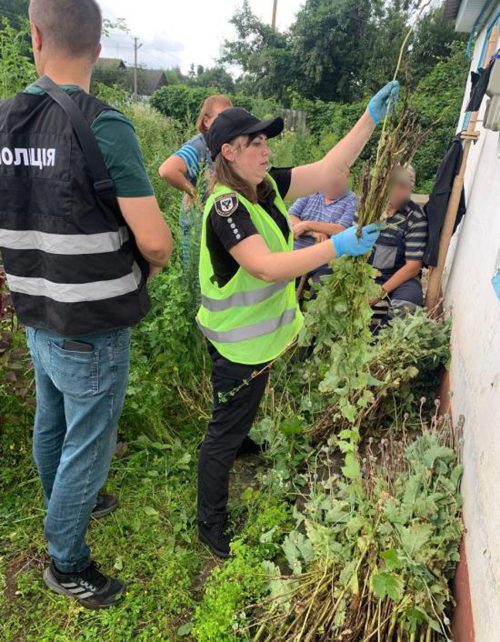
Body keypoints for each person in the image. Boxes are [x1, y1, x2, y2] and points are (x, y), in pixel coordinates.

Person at [0, 0, 173, 608]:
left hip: (36, 311)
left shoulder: (3, 120)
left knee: (54, 418)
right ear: (100, 49)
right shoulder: (104, 124)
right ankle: (67, 559)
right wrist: (160, 254)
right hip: (92, 324)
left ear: (36, 37)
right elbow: (154, 240)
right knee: (88, 439)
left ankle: (73, 499)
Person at [196, 80, 399, 559]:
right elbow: (264, 265)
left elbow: (331, 168)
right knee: (221, 433)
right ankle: (211, 523)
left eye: (267, 140)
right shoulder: (228, 206)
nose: (267, 149)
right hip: (238, 346)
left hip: (257, 341)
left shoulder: (264, 187)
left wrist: (370, 117)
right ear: (229, 152)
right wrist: (337, 245)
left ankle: (241, 439)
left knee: (238, 413)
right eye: (256, 143)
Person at [159, 95, 233, 270]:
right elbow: (167, 170)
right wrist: (195, 194)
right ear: (206, 121)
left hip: (216, 223)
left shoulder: (223, 146)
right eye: (221, 118)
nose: (226, 124)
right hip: (196, 225)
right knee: (194, 273)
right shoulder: (199, 146)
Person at [366, 165, 428, 325]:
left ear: (410, 189)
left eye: (403, 187)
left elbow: (413, 266)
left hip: (398, 276)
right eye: (392, 183)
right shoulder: (367, 208)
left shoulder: (415, 217)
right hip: (364, 273)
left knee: (408, 303)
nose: (397, 191)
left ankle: (383, 339)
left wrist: (380, 292)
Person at [289, 168, 357, 286]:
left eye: (336, 183)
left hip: (324, 265)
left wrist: (307, 224)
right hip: (296, 256)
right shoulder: (311, 192)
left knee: (319, 288)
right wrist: (313, 233)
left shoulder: (351, 201)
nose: (331, 186)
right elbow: (290, 217)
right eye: (328, 182)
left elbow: (340, 229)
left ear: (347, 177)